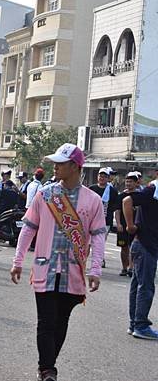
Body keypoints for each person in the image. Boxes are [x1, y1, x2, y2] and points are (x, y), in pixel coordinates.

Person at [10, 143, 105, 381]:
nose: (56, 167)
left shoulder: (92, 200)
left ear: (75, 166)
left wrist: (95, 269)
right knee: (46, 321)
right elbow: (29, 228)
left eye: (60, 163)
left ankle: (48, 365)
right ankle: (47, 370)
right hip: (46, 267)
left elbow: (99, 235)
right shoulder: (46, 194)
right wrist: (18, 260)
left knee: (61, 322)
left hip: (73, 272)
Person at [122, 178, 158, 339]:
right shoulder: (153, 189)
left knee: (138, 285)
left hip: (144, 245)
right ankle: (141, 325)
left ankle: (134, 323)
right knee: (145, 286)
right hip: (145, 244)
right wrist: (130, 226)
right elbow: (127, 200)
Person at [89, 167, 119, 268]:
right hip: (91, 220)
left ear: (108, 178)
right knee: (88, 242)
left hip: (105, 221)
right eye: (100, 176)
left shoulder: (112, 191)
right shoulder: (92, 189)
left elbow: (116, 207)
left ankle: (99, 261)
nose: (102, 178)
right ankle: (84, 260)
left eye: (104, 176)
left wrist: (118, 223)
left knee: (100, 242)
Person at [114, 172, 139, 277]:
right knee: (124, 247)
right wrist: (118, 223)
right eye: (127, 181)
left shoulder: (140, 196)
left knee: (134, 248)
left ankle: (131, 268)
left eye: (131, 182)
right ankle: (124, 268)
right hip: (123, 226)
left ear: (136, 183)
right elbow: (117, 210)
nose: (128, 184)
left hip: (136, 227)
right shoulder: (121, 196)